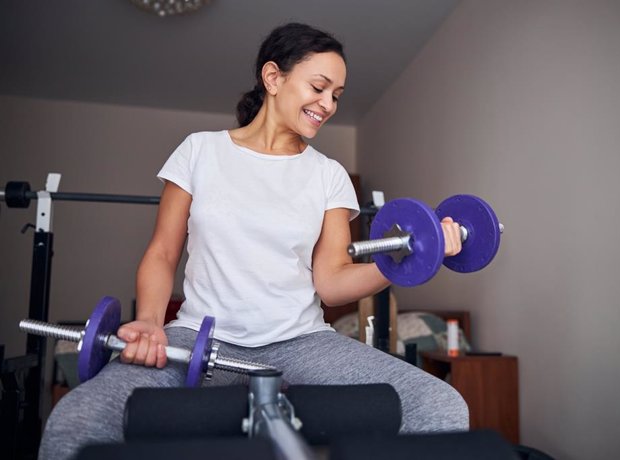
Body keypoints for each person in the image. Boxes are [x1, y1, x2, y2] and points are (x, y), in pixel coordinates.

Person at [39, 23, 468, 459]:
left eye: (336, 95)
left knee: (438, 405)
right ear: (273, 78)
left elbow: (333, 282)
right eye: (319, 87)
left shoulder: (328, 175)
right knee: (79, 418)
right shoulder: (199, 151)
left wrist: (409, 261)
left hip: (303, 343)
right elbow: (163, 252)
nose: (328, 104)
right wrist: (150, 320)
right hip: (199, 336)